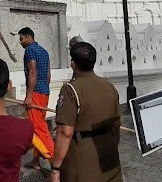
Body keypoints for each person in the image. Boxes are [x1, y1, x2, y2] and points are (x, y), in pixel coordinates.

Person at [50, 42, 122, 182]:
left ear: (73, 64)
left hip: (83, 153)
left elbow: (65, 132)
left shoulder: (70, 89)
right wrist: (112, 146)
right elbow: (116, 124)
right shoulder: (109, 85)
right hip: (108, 149)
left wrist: (55, 168)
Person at [18, 27, 54, 170]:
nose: (20, 42)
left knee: (38, 129)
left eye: (21, 38)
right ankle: (35, 161)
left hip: (36, 94)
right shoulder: (44, 51)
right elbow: (48, 75)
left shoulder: (30, 51)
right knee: (39, 124)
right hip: (45, 92)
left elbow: (32, 72)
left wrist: (29, 95)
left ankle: (56, 160)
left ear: (28, 37)